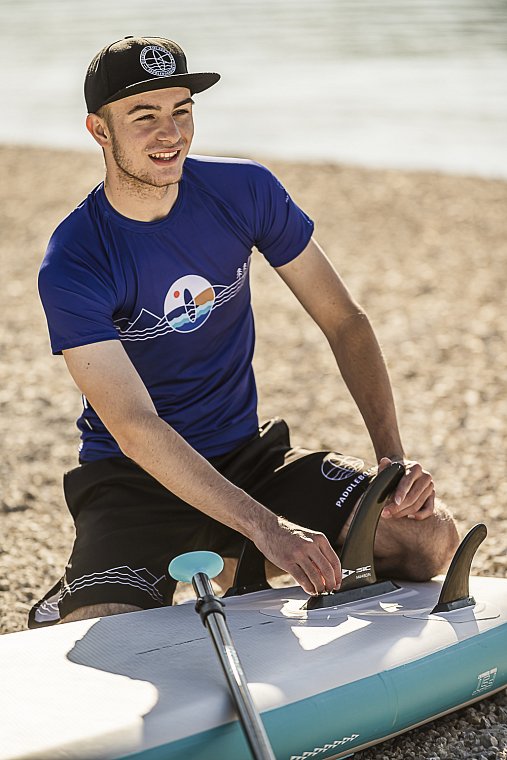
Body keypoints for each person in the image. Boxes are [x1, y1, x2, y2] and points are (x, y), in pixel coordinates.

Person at [30, 36, 459, 628]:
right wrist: (269, 528)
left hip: (248, 457)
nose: (171, 133)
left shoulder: (243, 191)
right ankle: (99, 584)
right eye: (144, 115)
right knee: (101, 626)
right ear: (99, 131)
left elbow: (345, 321)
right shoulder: (75, 259)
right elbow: (133, 426)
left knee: (427, 541)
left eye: (182, 109)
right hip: (136, 478)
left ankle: (237, 558)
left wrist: (392, 463)